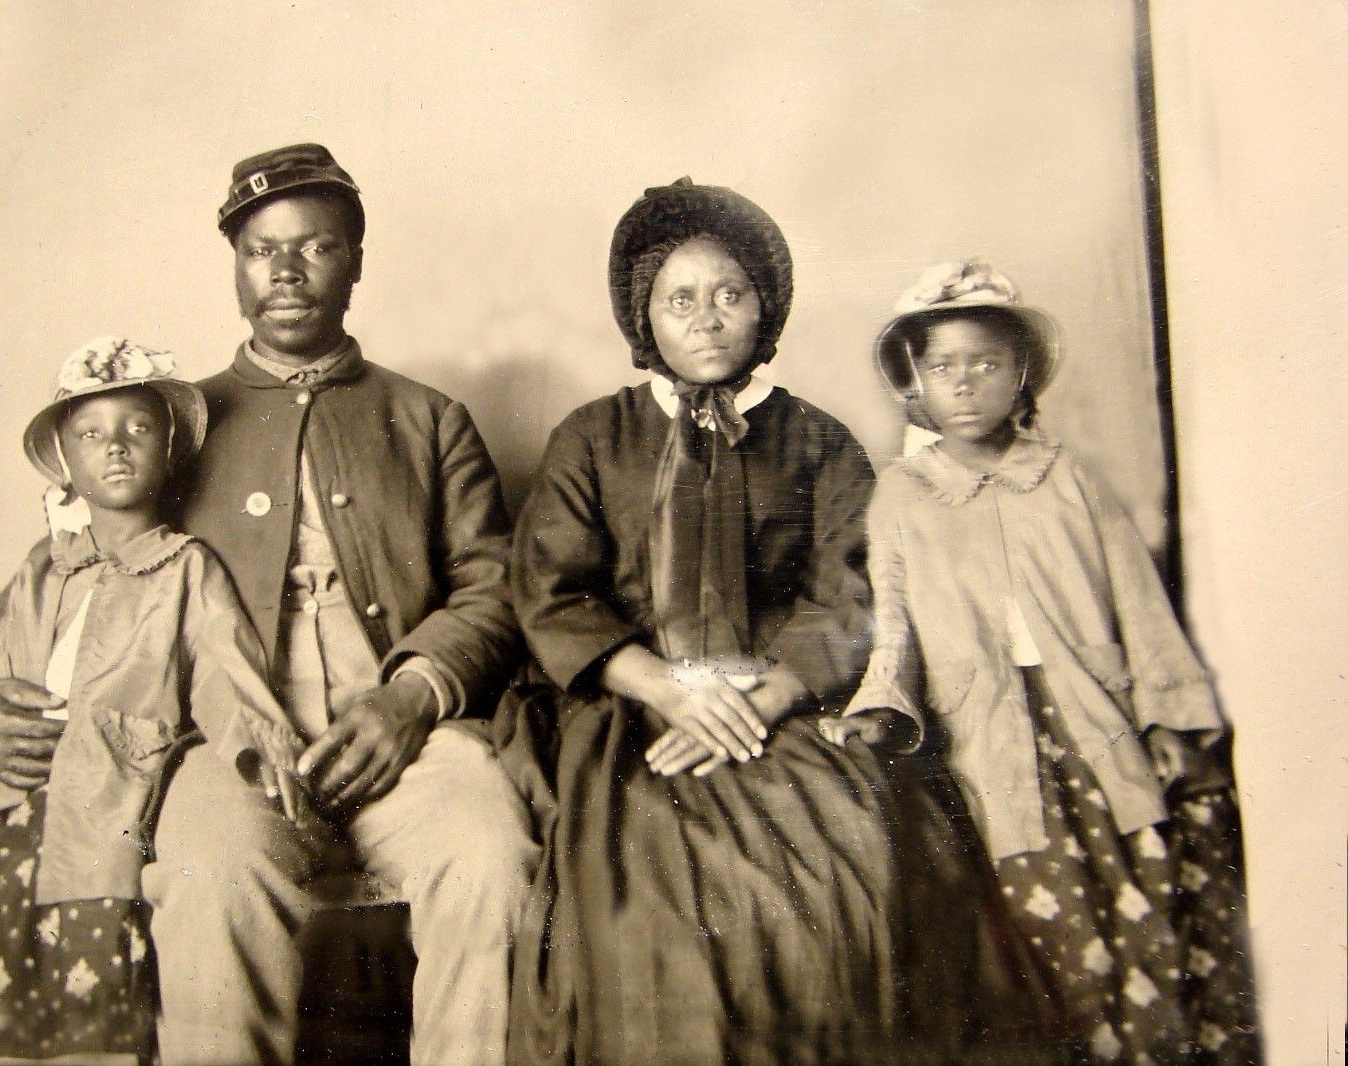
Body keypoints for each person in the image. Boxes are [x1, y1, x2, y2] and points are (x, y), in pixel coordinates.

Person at [0, 145, 537, 1065]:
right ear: (235, 265)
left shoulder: (427, 418)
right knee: (210, 874)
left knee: (492, 858)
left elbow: (493, 591)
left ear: (357, 261)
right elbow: (64, 571)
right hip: (223, 745)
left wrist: (408, 699)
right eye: (262, 250)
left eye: (317, 247)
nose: (287, 272)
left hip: (407, 738)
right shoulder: (173, 424)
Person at [495, 180, 1012, 1065]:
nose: (707, 320)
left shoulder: (818, 441)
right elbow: (553, 592)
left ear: (764, 308)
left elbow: (850, 592)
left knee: (853, 860)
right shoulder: (592, 437)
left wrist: (765, 697)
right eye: (680, 300)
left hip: (787, 703)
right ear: (642, 315)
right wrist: (665, 687)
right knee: (643, 893)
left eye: (729, 295)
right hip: (632, 710)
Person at [823, 261, 1260, 1062]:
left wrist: (1167, 713)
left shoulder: (1070, 481)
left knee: (1143, 896)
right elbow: (895, 627)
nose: (963, 385)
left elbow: (1139, 605)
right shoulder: (903, 497)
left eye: (985, 364)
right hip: (989, 740)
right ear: (915, 381)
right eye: (943, 367)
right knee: (1042, 935)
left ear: (1021, 376)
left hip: (1094, 723)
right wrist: (880, 706)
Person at [0, 338, 311, 1062]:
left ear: (171, 448)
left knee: (83, 947)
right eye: (91, 434)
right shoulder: (44, 569)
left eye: (137, 430)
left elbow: (224, 672)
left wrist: (257, 746)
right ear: (64, 459)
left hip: (105, 798)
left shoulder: (185, 569)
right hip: (20, 792)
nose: (115, 448)